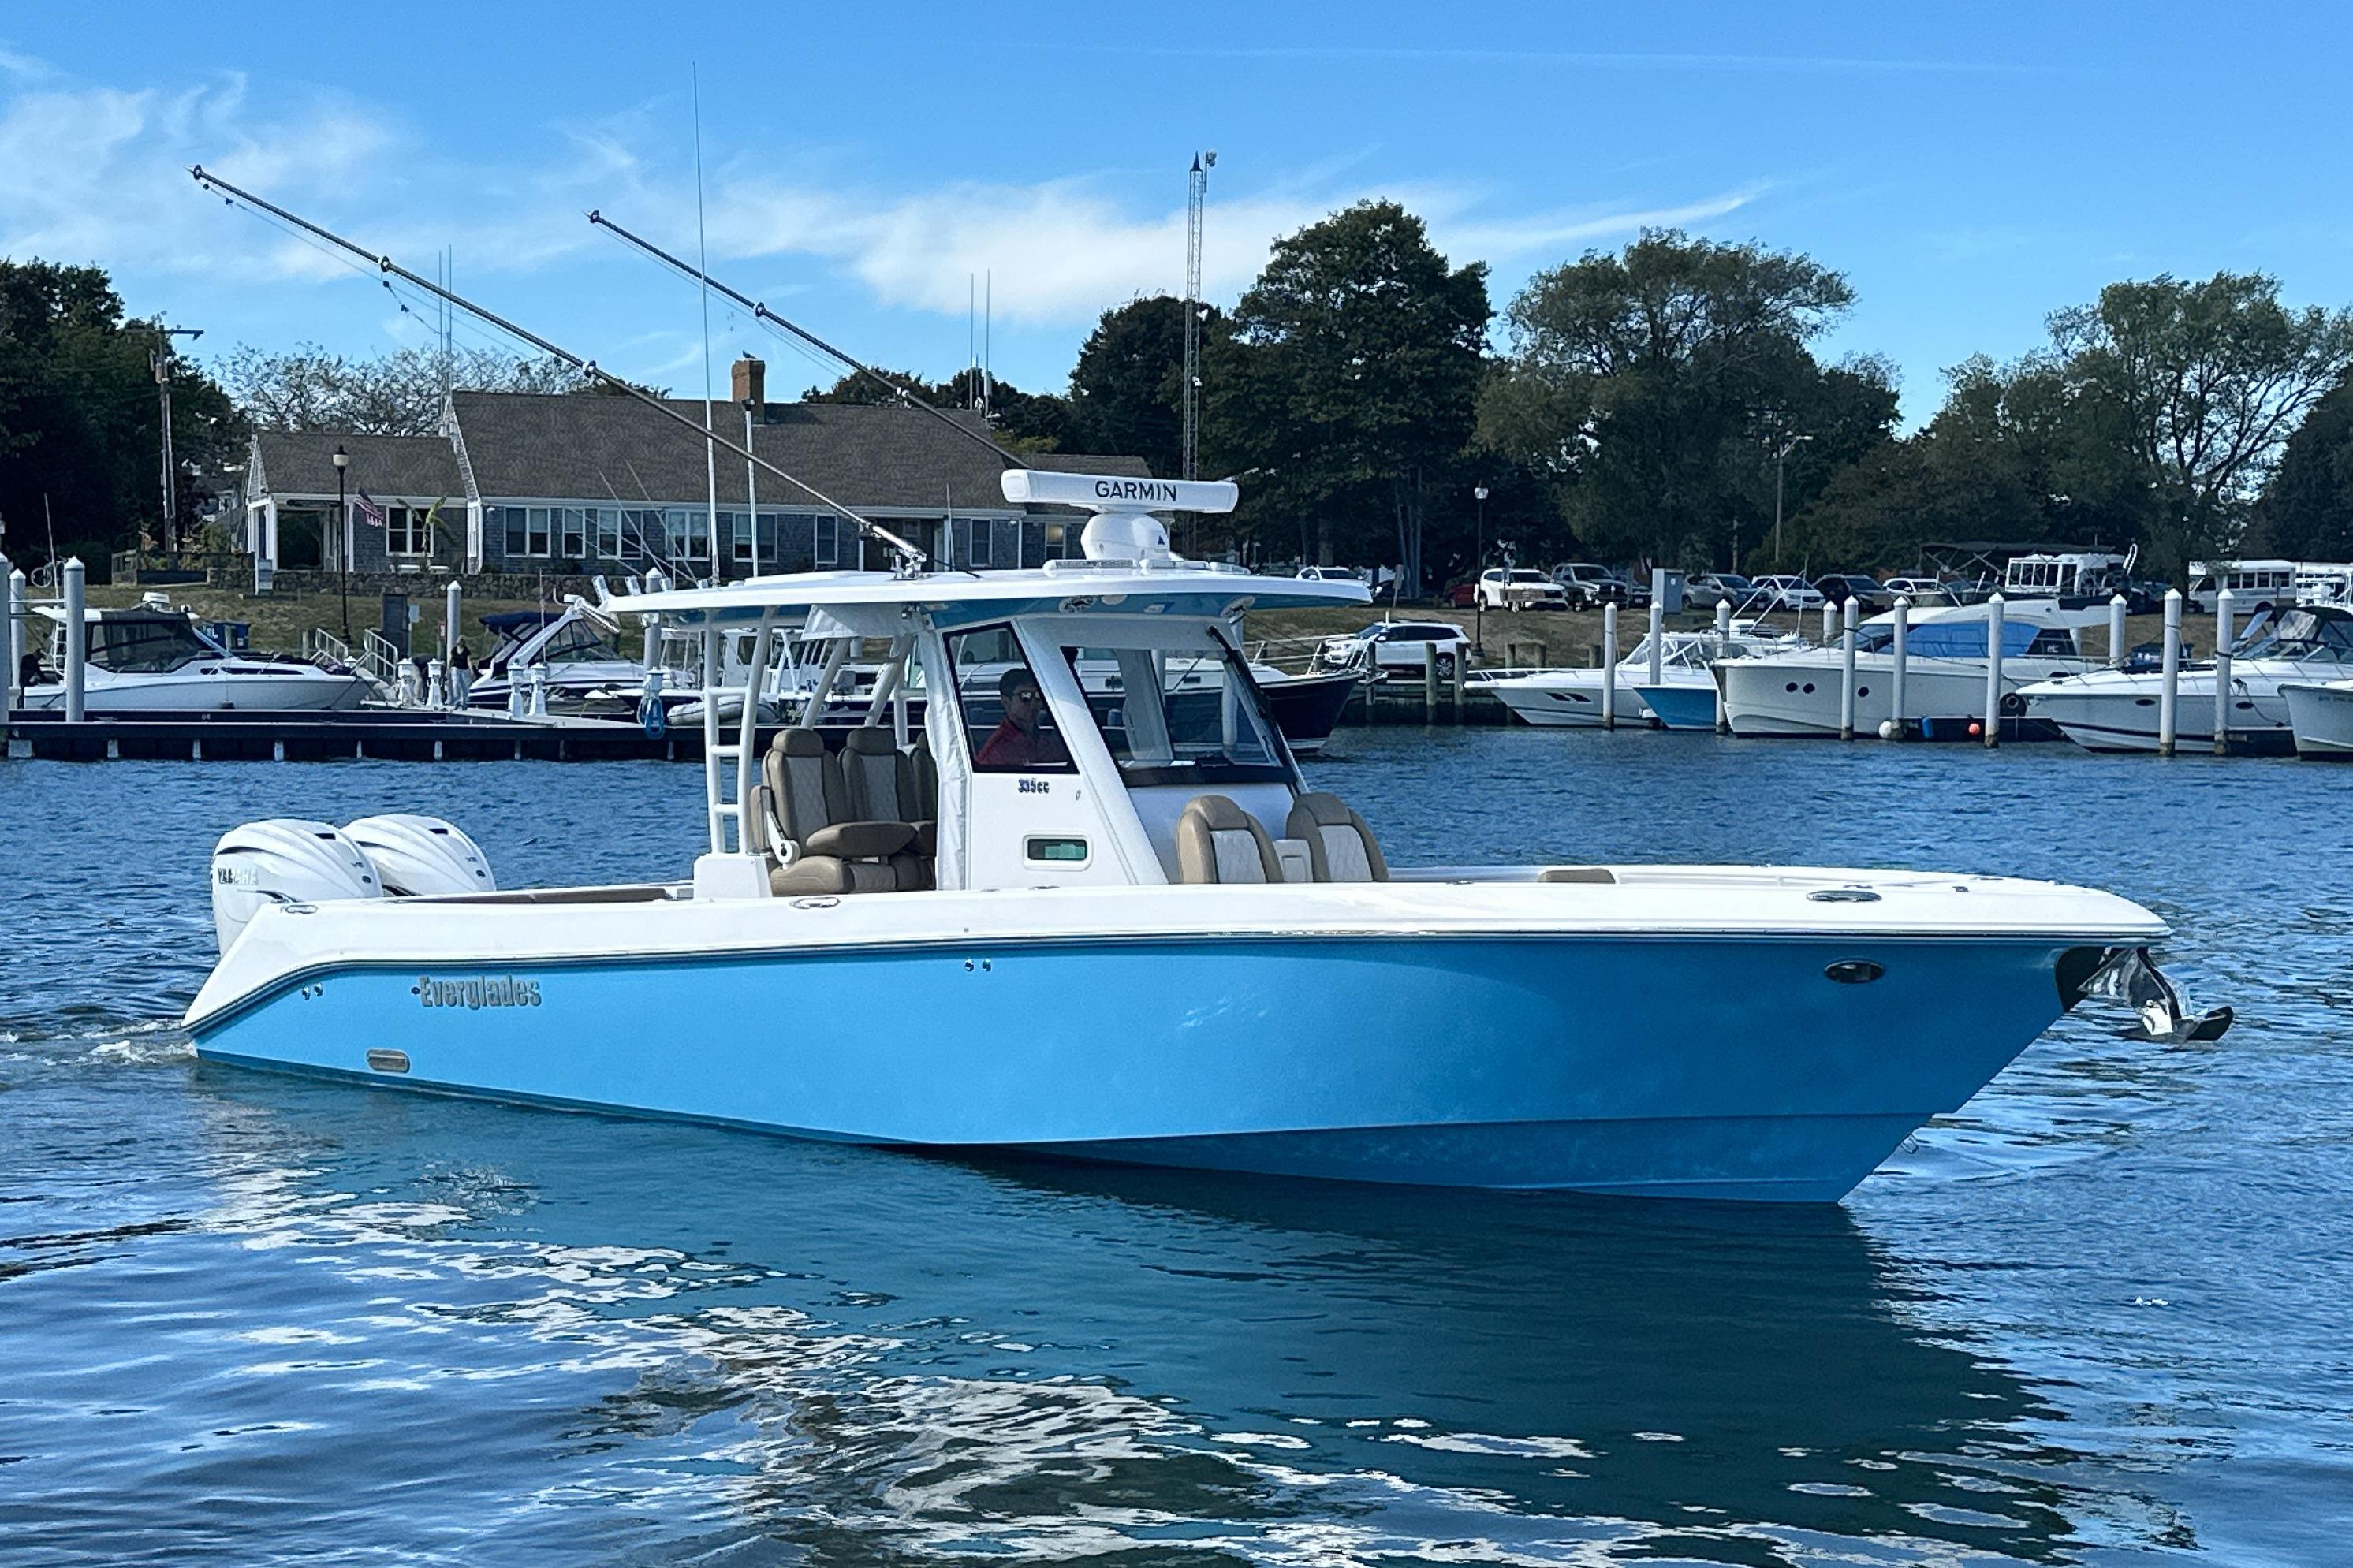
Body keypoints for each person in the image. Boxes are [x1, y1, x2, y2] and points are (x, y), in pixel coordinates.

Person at [975, 666, 1069, 769]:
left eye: (1038, 695)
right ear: (1006, 702)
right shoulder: (998, 750)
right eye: (1025, 696)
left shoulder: (1046, 738)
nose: (1034, 703)